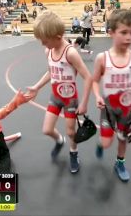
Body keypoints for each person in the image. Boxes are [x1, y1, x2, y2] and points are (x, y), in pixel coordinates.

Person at [28, 11, 93, 174]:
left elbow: (88, 77)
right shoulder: (48, 51)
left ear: (58, 36)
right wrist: (36, 86)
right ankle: (59, 140)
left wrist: (84, 103)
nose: (43, 44)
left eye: (44, 41)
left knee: (71, 131)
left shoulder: (70, 53)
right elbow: (51, 71)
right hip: (55, 97)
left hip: (70, 100)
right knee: (47, 130)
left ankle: (73, 153)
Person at [92, 9, 131, 182]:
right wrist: (97, 96)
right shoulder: (102, 58)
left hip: (126, 108)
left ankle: (120, 163)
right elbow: (94, 80)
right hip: (108, 108)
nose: (129, 37)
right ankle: (101, 144)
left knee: (123, 139)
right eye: (123, 32)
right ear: (111, 33)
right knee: (107, 142)